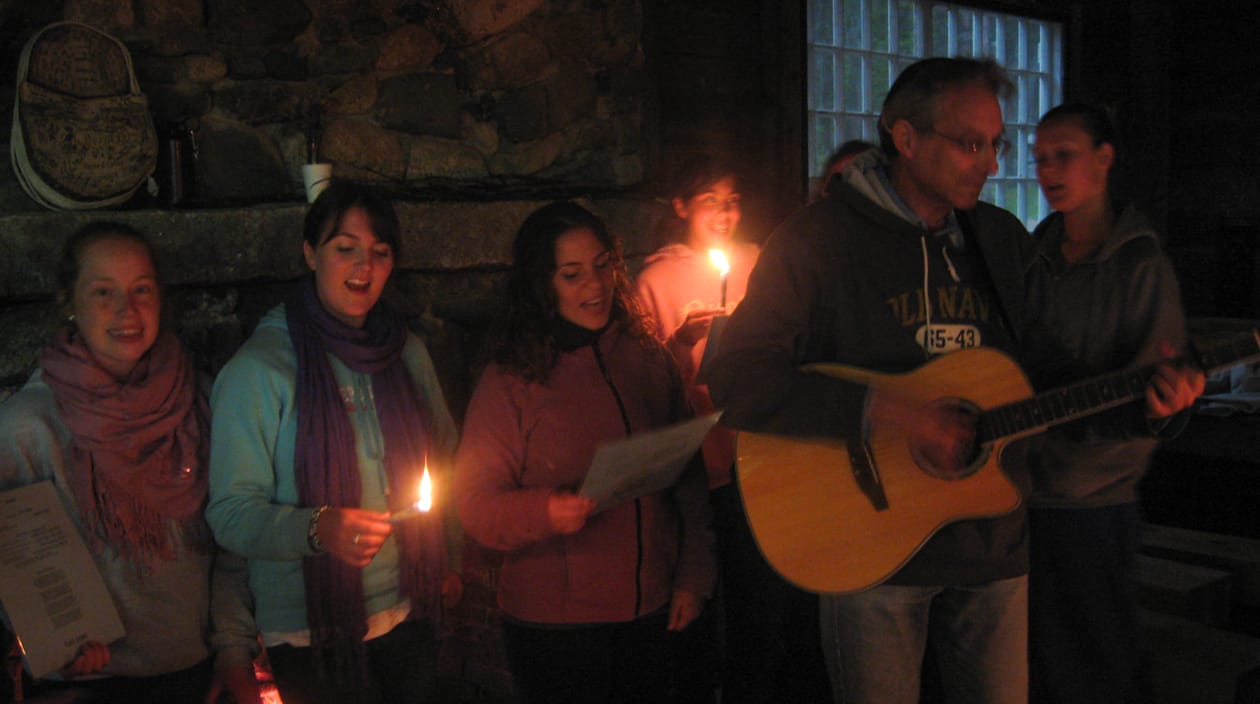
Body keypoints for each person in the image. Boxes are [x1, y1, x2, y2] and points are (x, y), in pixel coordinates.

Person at [708, 57, 1036, 704]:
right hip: (870, 547)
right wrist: (888, 410)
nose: (992, 165)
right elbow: (736, 374)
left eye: (996, 144)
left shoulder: (1000, 240)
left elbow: (1051, 372)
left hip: (992, 542)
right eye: (971, 144)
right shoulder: (817, 242)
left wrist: (1153, 405)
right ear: (905, 138)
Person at [206, 183, 462, 704]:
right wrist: (319, 528)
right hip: (310, 633)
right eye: (345, 247)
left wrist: (450, 556)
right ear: (310, 252)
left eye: (380, 252)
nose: (363, 266)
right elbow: (230, 514)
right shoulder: (261, 369)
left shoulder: (406, 352)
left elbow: (448, 460)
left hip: (409, 608)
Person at [455, 201, 716, 704]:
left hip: (652, 608)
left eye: (603, 266)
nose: (595, 287)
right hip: (556, 629)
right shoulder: (511, 380)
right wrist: (545, 510)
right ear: (542, 284)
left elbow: (688, 477)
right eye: (572, 274)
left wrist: (693, 576)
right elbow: (474, 504)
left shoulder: (646, 357)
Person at [0, 222, 259, 704]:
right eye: (103, 292)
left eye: (141, 289)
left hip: (192, 673)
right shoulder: (28, 426)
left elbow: (231, 543)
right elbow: (11, 565)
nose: (127, 309)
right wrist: (49, 641)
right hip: (84, 686)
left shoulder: (200, 403)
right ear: (69, 303)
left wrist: (233, 649)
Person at [1023, 102, 1204, 704]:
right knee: (1032, 662)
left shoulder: (1138, 263)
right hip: (1016, 489)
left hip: (1092, 498)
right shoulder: (1033, 254)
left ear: (1104, 159)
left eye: (1064, 155)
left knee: (1094, 662)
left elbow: (1157, 385)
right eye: (1041, 157)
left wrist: (1166, 404)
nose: (1049, 169)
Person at [635, 156, 830, 703]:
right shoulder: (655, 279)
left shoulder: (759, 261)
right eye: (709, 200)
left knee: (765, 607)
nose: (724, 212)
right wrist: (681, 340)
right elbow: (644, 380)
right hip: (700, 464)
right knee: (700, 601)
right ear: (681, 207)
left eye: (733, 199)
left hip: (765, 457)